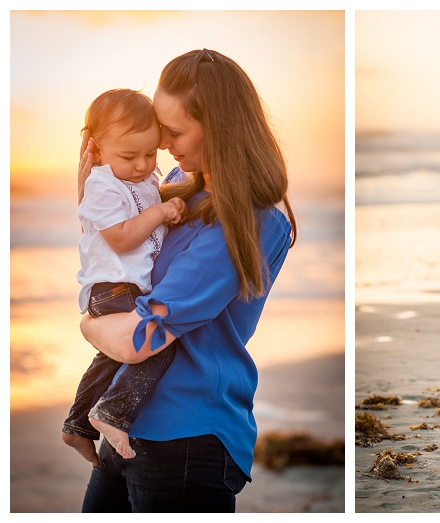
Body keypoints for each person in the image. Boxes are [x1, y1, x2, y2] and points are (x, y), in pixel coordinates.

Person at [69, 49, 296, 512]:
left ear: (220, 128)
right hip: (126, 419)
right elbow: (118, 259)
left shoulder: (248, 221)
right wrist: (94, 195)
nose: (163, 142)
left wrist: (88, 324)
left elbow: (140, 339)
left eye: (173, 132)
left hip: (186, 435)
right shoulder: (177, 183)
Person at [62, 88, 186, 462]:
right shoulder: (101, 184)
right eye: (129, 156)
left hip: (124, 285)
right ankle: (112, 414)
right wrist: (160, 214)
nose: (141, 165)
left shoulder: (144, 179)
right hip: (111, 287)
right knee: (156, 342)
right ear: (97, 150)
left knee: (110, 357)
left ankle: (77, 425)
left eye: (150, 153)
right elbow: (119, 238)